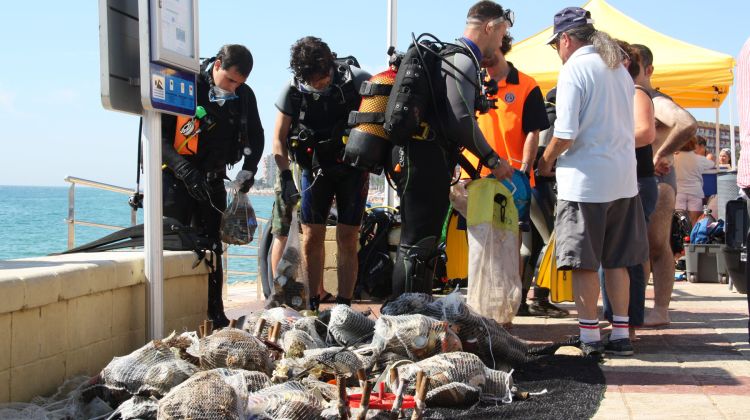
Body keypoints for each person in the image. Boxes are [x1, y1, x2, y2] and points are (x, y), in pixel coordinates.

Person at [537, 7, 648, 356]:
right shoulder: (618, 70)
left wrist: (545, 161)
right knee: (617, 262)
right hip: (624, 180)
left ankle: (589, 338)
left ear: (566, 40)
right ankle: (620, 334)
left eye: (557, 44)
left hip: (585, 182)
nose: (559, 50)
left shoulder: (574, 69)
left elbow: (565, 133)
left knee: (584, 263)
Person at [388, 0, 514, 296]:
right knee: (418, 242)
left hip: (421, 156)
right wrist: (492, 159)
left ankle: (413, 311)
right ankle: (404, 314)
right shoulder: (464, 58)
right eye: (501, 33)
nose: (501, 41)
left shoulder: (453, 55)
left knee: (421, 240)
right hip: (425, 160)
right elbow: (460, 119)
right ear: (489, 26)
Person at [461, 34, 566, 318]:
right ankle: (480, 308)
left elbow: (534, 130)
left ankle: (509, 308)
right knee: (479, 246)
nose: (483, 55)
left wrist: (524, 170)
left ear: (502, 44)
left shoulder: (527, 85)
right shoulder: (470, 82)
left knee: (512, 245)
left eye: (489, 47)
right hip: (474, 178)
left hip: (512, 180)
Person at [161, 44, 265, 327]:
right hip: (175, 179)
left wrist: (249, 170)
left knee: (213, 249)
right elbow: (158, 138)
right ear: (217, 64)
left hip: (213, 180)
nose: (232, 88)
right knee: (174, 247)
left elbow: (256, 136)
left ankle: (215, 314)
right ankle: (172, 315)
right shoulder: (185, 85)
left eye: (239, 83)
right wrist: (184, 171)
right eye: (230, 80)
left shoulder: (243, 95)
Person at [271, 36, 371, 312]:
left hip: (352, 170)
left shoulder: (356, 79)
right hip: (313, 170)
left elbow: (383, 115)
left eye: (324, 76)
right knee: (312, 236)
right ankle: (312, 303)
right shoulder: (291, 92)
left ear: (330, 63)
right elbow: (278, 138)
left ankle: (344, 306)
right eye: (313, 80)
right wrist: (284, 176)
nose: (321, 83)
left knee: (348, 237)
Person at [631, 44, 698, 328]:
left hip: (657, 181)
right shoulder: (632, 97)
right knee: (644, 246)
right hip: (641, 179)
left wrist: (659, 153)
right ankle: (645, 310)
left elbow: (686, 123)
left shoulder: (654, 98)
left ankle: (659, 310)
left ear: (648, 70)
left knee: (655, 245)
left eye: (632, 66)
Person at [600, 40, 657, 335]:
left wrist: (607, 139)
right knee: (613, 255)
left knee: (627, 255)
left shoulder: (636, 92)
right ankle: (618, 318)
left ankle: (628, 321)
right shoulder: (619, 91)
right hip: (623, 178)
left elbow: (646, 133)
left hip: (636, 180)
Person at [675, 136, 716, 225]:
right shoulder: (699, 159)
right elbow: (712, 164)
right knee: (694, 221)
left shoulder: (675, 157)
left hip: (680, 192)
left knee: (679, 219)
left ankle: (681, 237)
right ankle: (692, 237)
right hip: (695, 192)